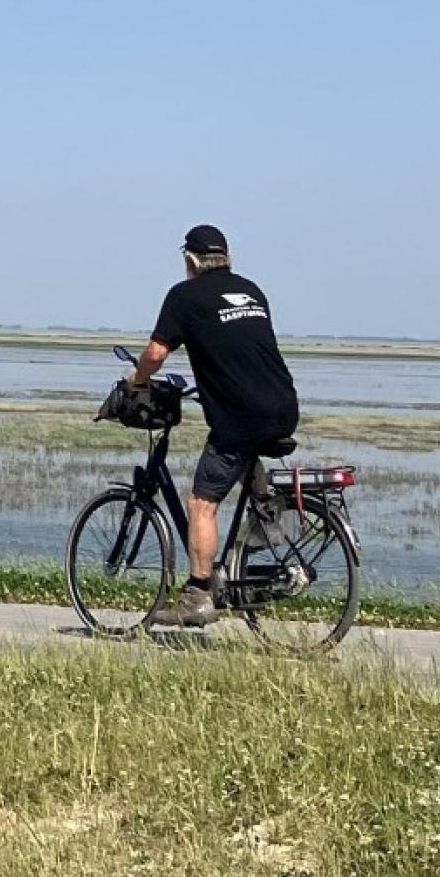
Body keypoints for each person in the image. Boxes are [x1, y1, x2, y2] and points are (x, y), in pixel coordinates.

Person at [124, 224, 301, 627]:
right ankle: (262, 531)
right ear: (227, 257)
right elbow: (238, 348)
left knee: (201, 505)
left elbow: (156, 353)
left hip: (241, 416)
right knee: (246, 459)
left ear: (190, 260)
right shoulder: (251, 291)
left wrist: (138, 381)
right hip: (283, 406)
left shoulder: (184, 296)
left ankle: (198, 595)